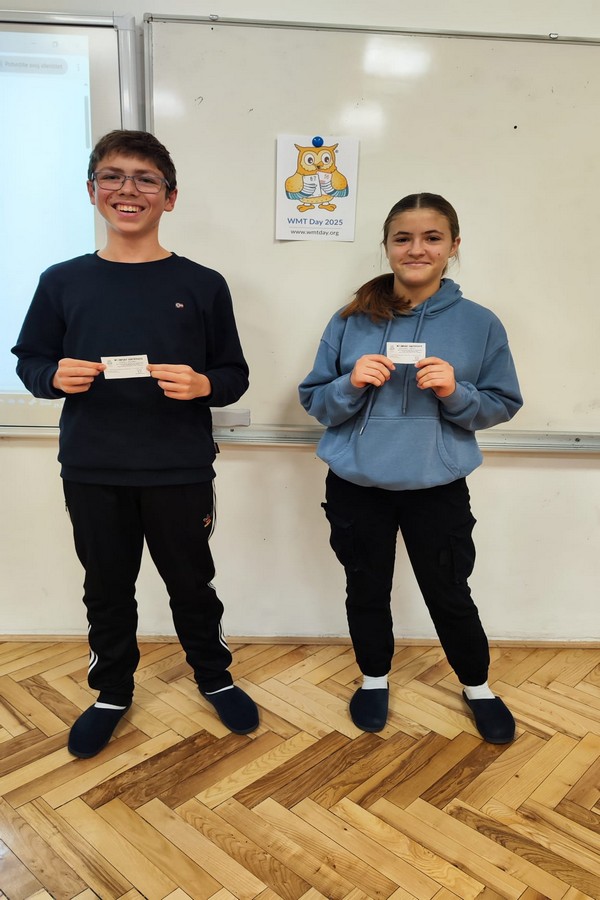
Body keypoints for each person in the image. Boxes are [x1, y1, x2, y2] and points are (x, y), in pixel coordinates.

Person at [12, 129, 259, 757]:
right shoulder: (62, 281)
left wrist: (204, 384)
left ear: (169, 197)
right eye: (113, 176)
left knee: (192, 584)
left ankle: (214, 677)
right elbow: (30, 360)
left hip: (178, 467)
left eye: (146, 179)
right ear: (92, 190)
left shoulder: (203, 284)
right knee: (106, 587)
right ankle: (111, 692)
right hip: (93, 467)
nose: (128, 189)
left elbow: (233, 375)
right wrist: (51, 377)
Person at [299, 193, 522, 743]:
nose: (416, 249)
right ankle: (374, 679)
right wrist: (349, 384)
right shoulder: (350, 319)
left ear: (453, 246)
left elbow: (502, 403)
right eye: (403, 238)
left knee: (449, 590)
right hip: (356, 483)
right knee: (365, 586)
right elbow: (315, 401)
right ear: (387, 246)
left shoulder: (480, 323)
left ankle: (477, 687)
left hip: (436, 484)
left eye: (431, 238)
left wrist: (455, 392)